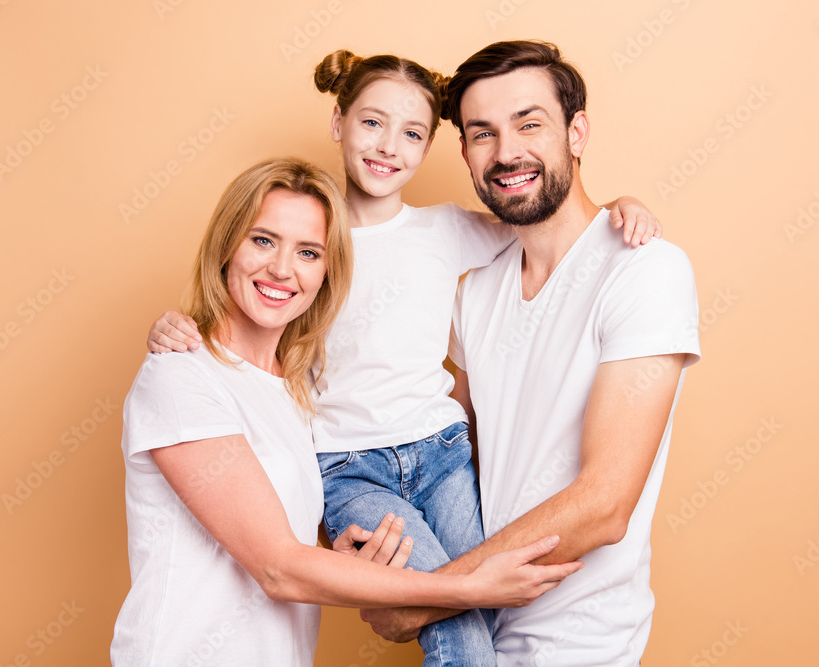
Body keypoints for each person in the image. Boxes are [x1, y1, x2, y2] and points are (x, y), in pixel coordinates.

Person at [145, 50, 662, 666]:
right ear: (337, 121)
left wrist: (619, 209)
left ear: (429, 146)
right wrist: (177, 325)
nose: (388, 146)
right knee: (459, 618)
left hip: (442, 453)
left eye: (412, 133)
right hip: (349, 468)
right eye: (371, 123)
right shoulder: (313, 242)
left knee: (485, 607)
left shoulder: (445, 229)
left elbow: (553, 220)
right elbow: (255, 318)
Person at [110, 156, 582, 667]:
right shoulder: (182, 374)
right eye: (263, 240)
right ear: (226, 245)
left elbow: (279, 540)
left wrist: (342, 559)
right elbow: (277, 568)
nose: (282, 269)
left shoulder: (296, 394)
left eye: (308, 252)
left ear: (327, 271)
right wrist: (472, 587)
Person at [357, 41, 702, 667]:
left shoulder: (644, 270)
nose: (507, 151)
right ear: (462, 151)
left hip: (579, 643)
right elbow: (442, 449)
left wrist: (425, 600)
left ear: (577, 131)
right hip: (474, 637)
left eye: (529, 123)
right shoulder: (476, 287)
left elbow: (605, 506)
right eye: (481, 133)